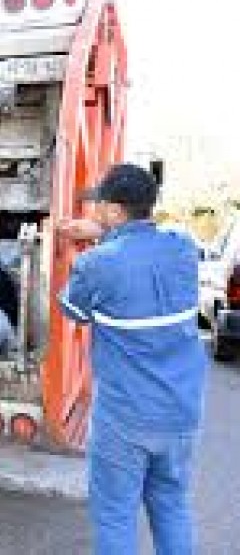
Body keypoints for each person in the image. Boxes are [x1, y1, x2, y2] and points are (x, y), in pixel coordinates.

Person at [57, 163, 206, 555]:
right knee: (172, 505)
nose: (93, 212)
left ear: (112, 210)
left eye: (98, 206)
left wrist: (88, 252)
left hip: (125, 418)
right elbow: (143, 249)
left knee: (116, 515)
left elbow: (71, 309)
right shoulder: (184, 249)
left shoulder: (97, 264)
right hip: (180, 412)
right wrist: (105, 236)